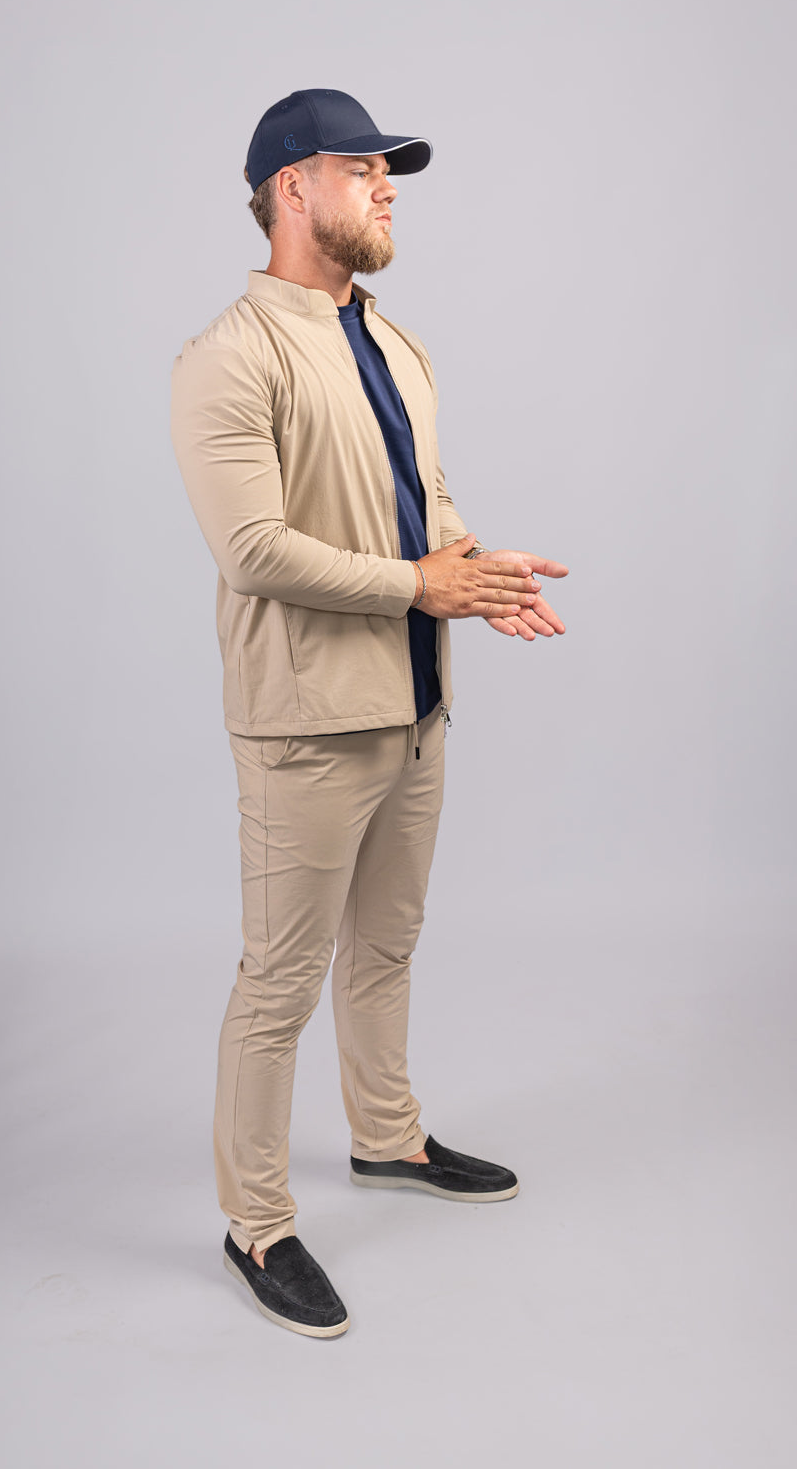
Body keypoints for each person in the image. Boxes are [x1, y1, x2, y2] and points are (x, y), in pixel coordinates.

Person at [170, 88, 568, 1339]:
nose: (387, 186)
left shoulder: (394, 342)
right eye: (362, 167)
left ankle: (387, 1138)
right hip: (307, 722)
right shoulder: (229, 355)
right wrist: (418, 585)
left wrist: (479, 572)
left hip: (415, 704)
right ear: (293, 188)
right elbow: (251, 550)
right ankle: (256, 1224)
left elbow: (423, 503)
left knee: (387, 946)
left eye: (389, 170)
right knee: (279, 979)